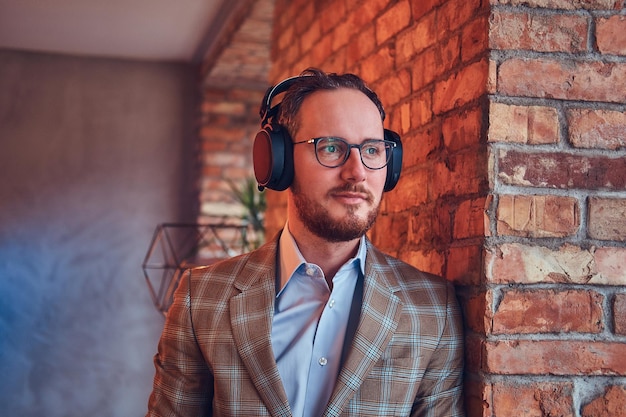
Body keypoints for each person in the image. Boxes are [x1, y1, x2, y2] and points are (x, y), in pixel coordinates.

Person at [146, 68, 465, 417]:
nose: (357, 171)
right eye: (330, 147)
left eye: (371, 150)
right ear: (277, 161)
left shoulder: (434, 309)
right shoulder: (201, 298)